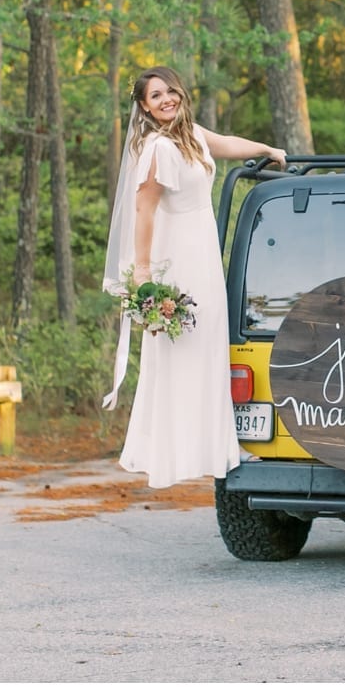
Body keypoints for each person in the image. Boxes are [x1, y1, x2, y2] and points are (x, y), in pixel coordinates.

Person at [100, 65, 287, 487]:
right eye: (155, 96)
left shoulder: (190, 135)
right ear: (145, 108)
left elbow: (225, 144)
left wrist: (268, 148)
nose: (166, 99)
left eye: (169, 91)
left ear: (180, 92)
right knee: (184, 351)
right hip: (179, 258)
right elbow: (143, 210)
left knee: (209, 350)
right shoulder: (157, 149)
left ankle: (218, 445)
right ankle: (177, 449)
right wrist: (144, 273)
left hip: (203, 254)